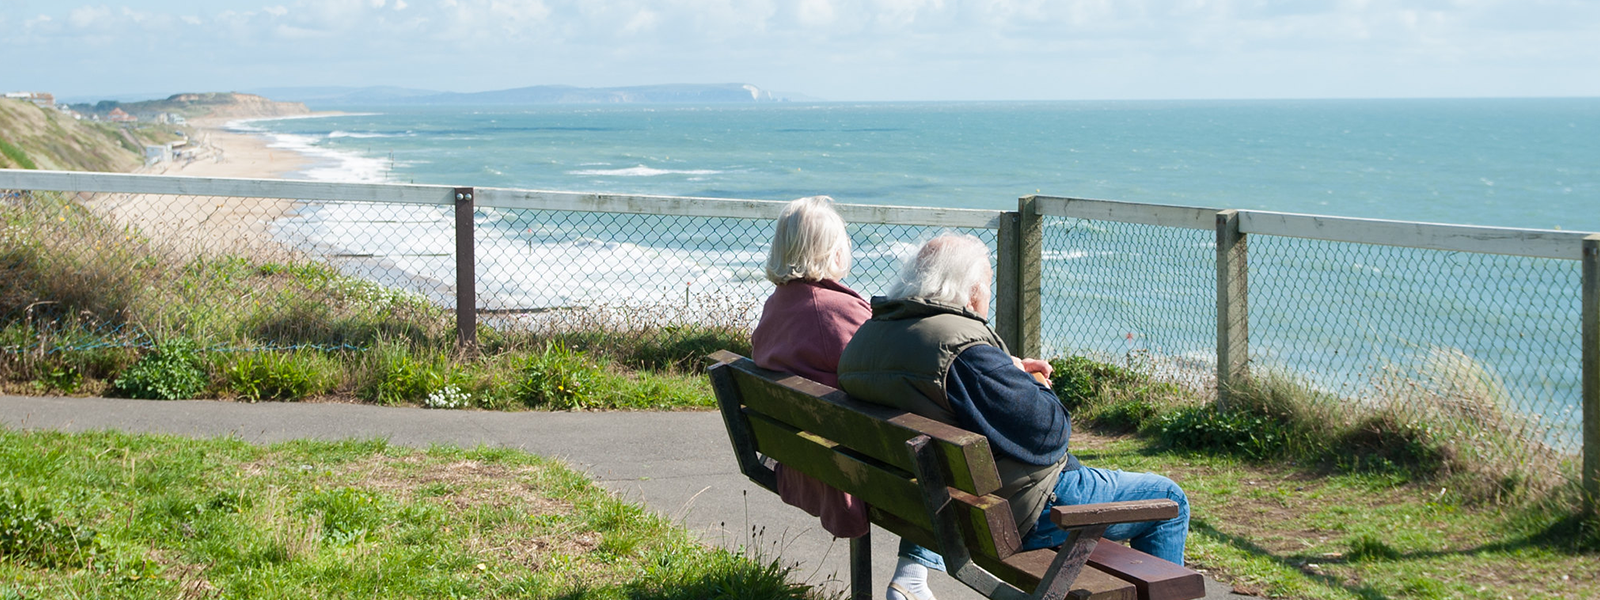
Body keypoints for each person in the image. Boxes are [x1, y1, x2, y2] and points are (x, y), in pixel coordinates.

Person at [837, 234, 1189, 600]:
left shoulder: (867, 339)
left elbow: (941, 395)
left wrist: (1008, 369)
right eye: (988, 286)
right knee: (1170, 498)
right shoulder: (962, 351)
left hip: (921, 506)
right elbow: (1049, 435)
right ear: (972, 290)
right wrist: (1035, 382)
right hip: (1026, 510)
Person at [749, 195, 872, 538]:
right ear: (832, 251)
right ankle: (912, 573)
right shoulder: (833, 311)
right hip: (846, 474)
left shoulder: (776, 307)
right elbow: (892, 369)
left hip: (800, 460)